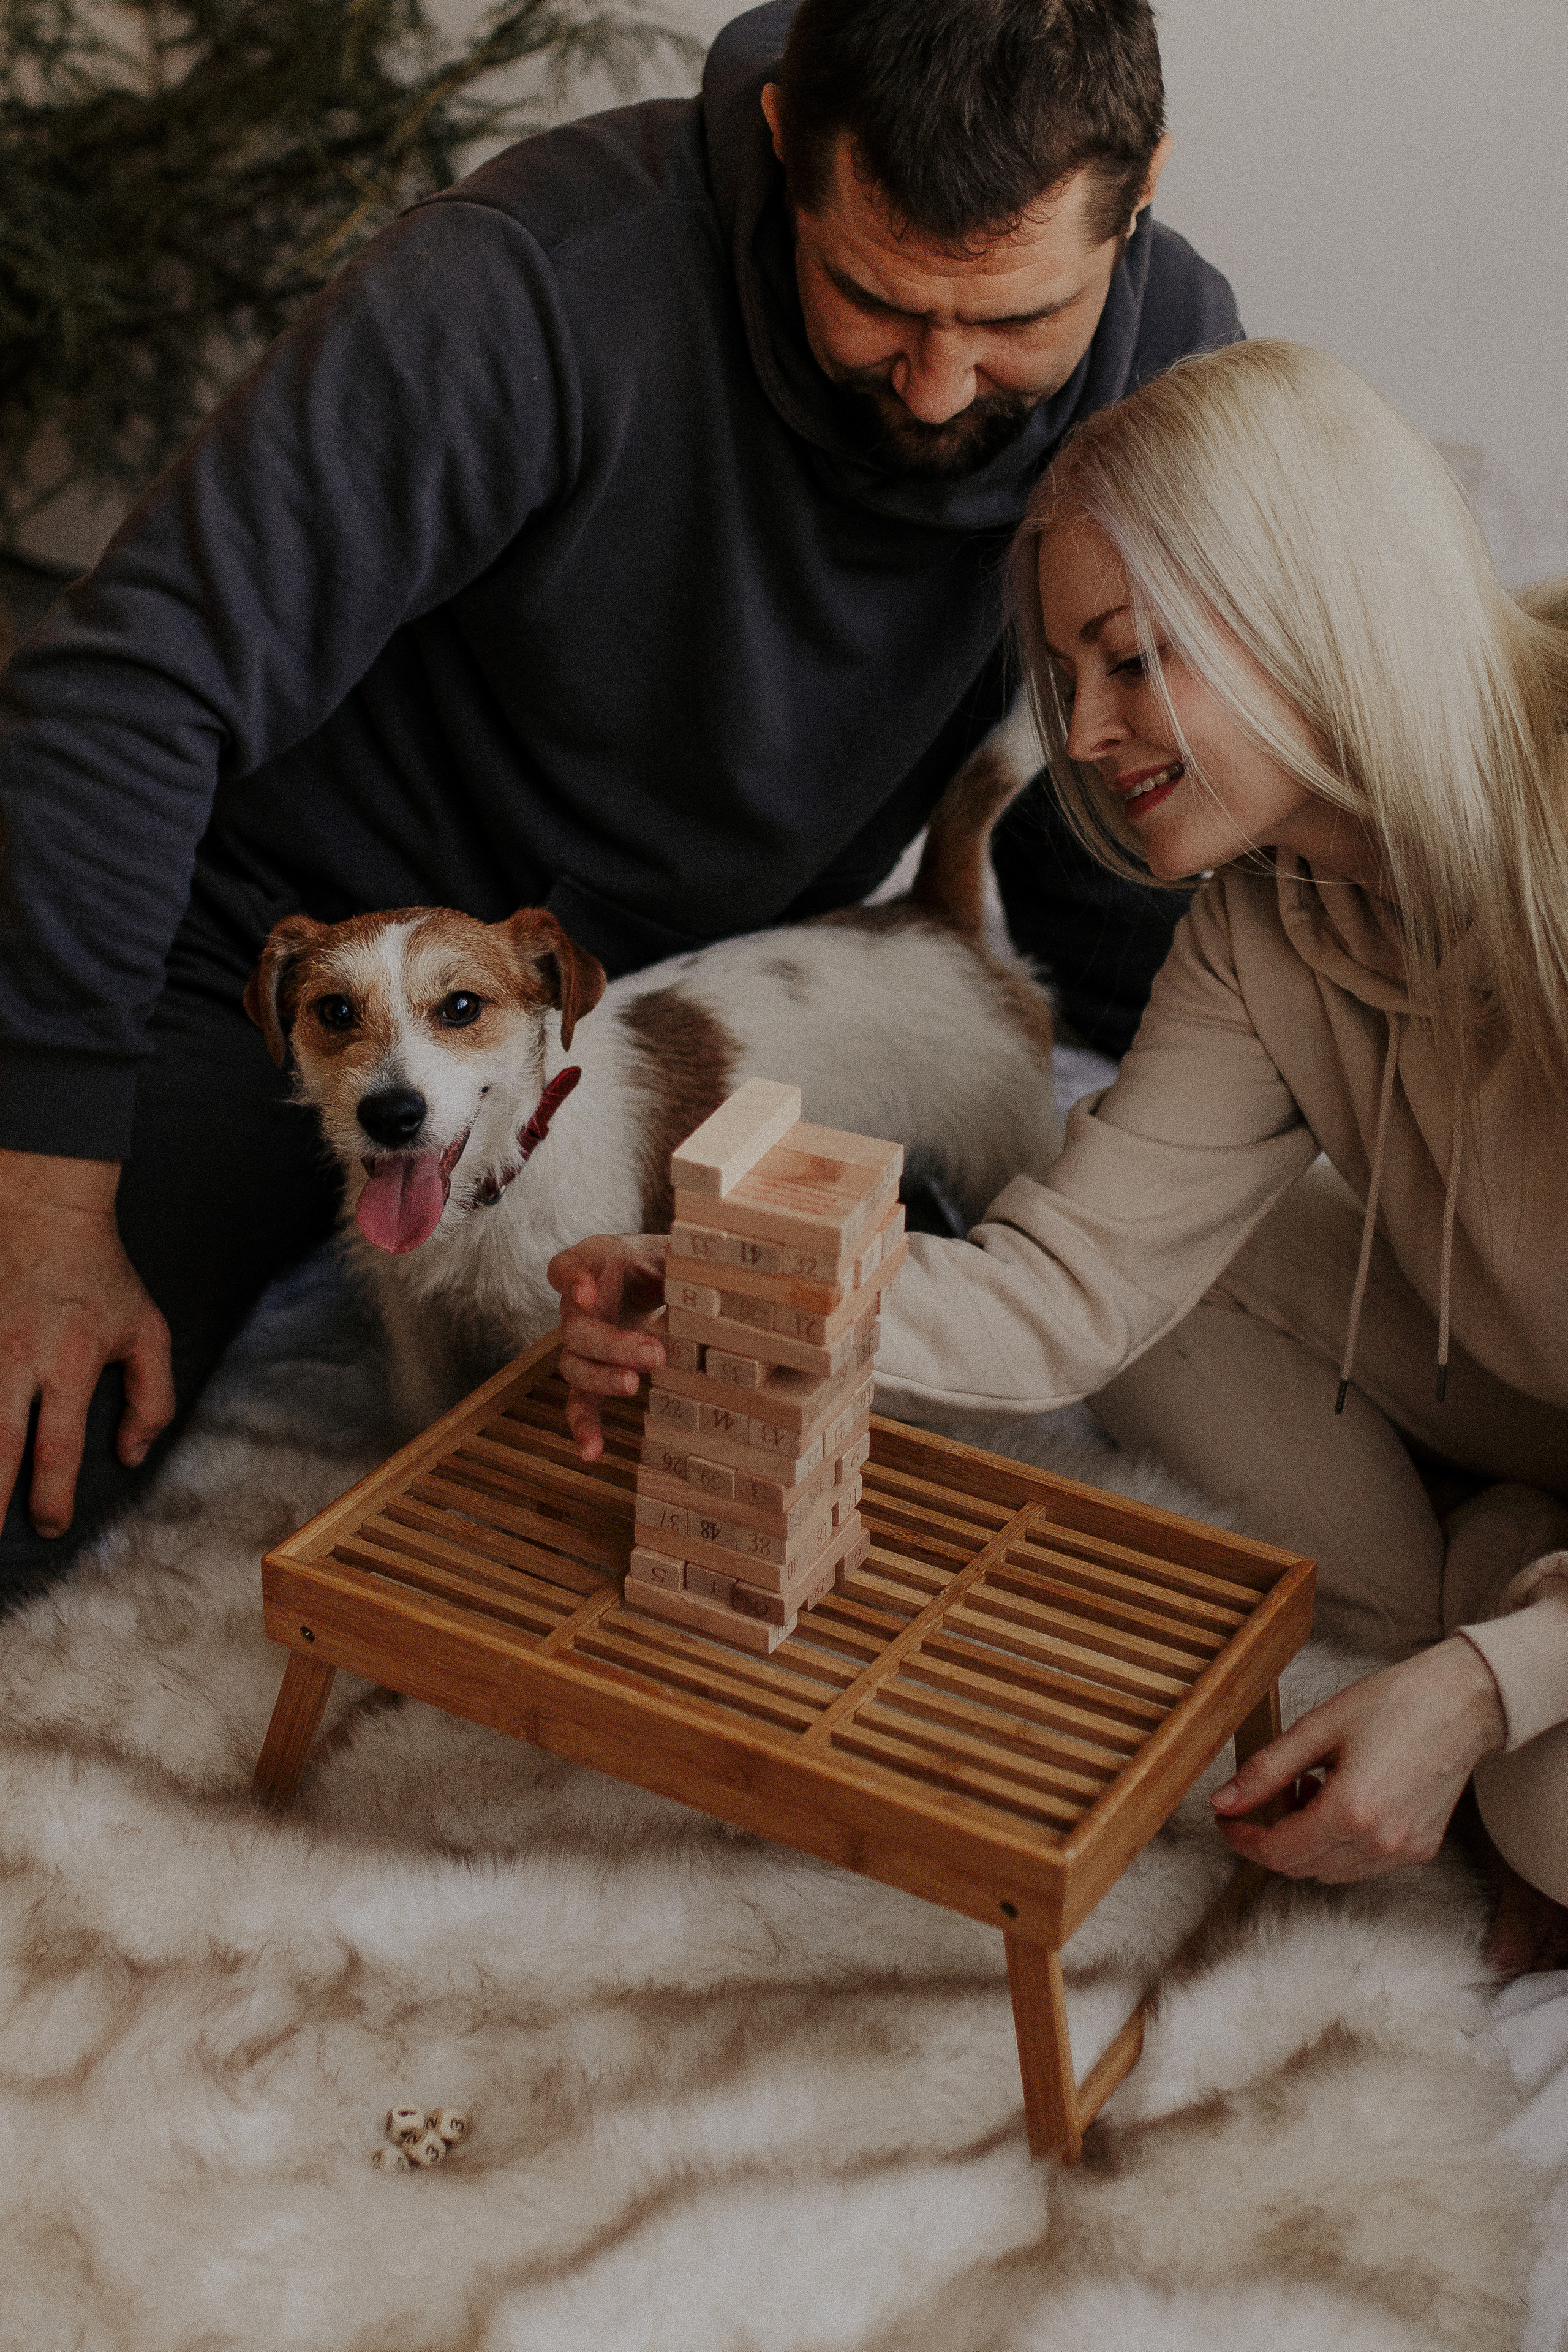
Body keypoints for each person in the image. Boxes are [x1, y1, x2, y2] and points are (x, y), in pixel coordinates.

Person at [0, 0, 1238, 1594]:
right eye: (873, 301)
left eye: (1013, 325)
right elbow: (127, 682)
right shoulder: (527, 283)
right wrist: (42, 1186)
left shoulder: (1173, 358)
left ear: (1137, 204)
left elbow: (1115, 771)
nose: (939, 390)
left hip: (667, 1034)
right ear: (787, 139)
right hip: (290, 963)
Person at [552, 338, 1568, 1970]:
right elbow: (1069, 1286)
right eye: (1066, 678)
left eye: (1127, 660)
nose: (1086, 735)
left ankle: (1495, 1614)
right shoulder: (1266, 921)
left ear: (1305, 593)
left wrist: (1491, 1688)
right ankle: (1493, 1570)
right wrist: (719, 1290)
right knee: (1129, 1203)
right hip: (1520, 1373)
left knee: (1547, 1810)